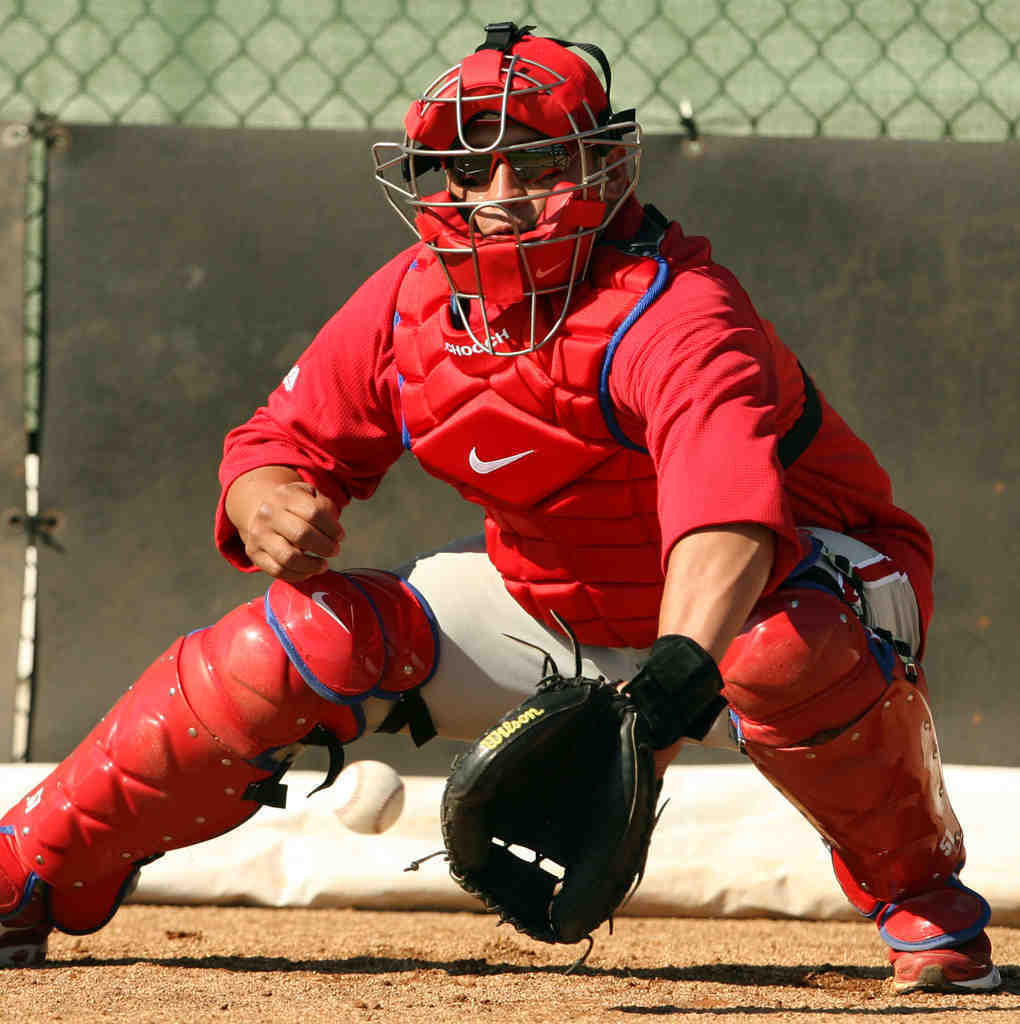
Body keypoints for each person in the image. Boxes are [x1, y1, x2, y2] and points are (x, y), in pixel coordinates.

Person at [0, 22, 1000, 993]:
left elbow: (730, 520)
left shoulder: (678, 307)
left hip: (803, 578)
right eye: (471, 168)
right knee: (285, 646)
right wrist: (264, 500)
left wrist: (665, 699)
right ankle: (27, 865)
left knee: (783, 651)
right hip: (560, 597)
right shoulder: (411, 301)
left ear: (606, 166)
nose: (501, 194)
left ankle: (928, 907)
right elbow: (276, 447)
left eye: (537, 161)